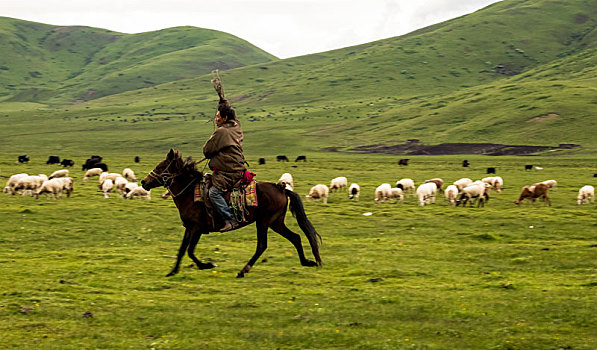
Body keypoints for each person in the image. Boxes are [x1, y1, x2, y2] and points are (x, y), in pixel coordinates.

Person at [203, 102, 246, 232]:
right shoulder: (236, 127)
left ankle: (230, 219)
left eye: (218, 117)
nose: (216, 119)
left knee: (213, 193)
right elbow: (234, 118)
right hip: (238, 169)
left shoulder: (221, 132)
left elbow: (207, 151)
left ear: (225, 118)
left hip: (229, 172)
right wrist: (224, 103)